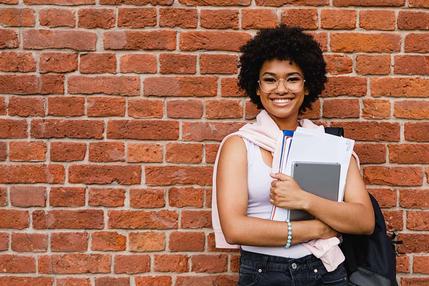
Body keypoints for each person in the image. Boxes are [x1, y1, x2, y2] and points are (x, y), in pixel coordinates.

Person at [212, 25, 375, 286]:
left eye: (292, 78)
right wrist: (314, 230)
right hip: (264, 273)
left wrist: (305, 200)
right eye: (269, 79)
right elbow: (235, 229)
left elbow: (364, 220)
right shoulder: (241, 144)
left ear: (307, 86)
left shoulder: (330, 145)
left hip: (325, 271)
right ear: (257, 87)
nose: (281, 89)